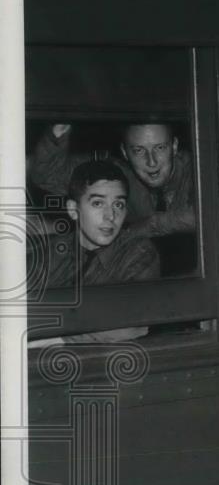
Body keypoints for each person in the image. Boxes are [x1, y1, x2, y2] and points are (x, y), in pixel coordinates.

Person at [29, 160, 161, 346]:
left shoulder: (138, 253)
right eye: (98, 203)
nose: (110, 216)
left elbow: (134, 324)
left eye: (119, 205)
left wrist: (58, 340)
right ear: (73, 210)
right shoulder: (47, 252)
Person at [30, 121, 196, 238]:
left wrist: (141, 230)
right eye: (139, 151)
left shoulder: (200, 168)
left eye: (160, 148)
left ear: (174, 146)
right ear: (124, 152)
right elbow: (48, 175)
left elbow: (201, 216)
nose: (151, 162)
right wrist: (59, 130)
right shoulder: (118, 174)